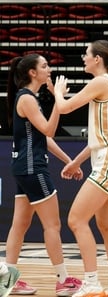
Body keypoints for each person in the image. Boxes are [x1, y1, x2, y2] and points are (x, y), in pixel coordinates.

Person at [52, 40, 108, 297]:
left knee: (76, 220)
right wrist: (76, 161)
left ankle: (91, 283)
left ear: (98, 58)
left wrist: (57, 91)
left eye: (86, 54)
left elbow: (64, 108)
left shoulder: (101, 82)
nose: (83, 58)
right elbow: (101, 136)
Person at [5, 54, 83, 296]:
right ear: (32, 72)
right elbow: (49, 128)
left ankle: (8, 280)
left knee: (20, 224)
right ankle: (62, 281)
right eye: (45, 66)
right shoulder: (27, 98)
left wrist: (69, 161)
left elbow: (44, 138)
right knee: (53, 225)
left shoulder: (29, 98)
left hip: (24, 167)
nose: (49, 69)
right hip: (32, 168)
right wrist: (59, 98)